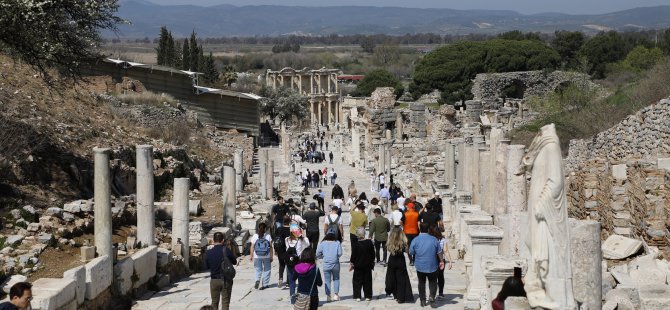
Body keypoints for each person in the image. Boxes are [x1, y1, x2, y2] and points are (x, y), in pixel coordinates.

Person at [409, 223, 445, 308]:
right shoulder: (434, 239)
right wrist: (442, 261)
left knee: (421, 282)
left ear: (419, 229)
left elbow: (411, 252)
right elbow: (439, 252)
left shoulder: (415, 240)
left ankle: (422, 300)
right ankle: (432, 297)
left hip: (420, 266)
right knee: (433, 282)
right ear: (428, 229)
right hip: (432, 265)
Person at [205, 232, 238, 310]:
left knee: (214, 303)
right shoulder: (226, 250)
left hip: (214, 280)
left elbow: (206, 266)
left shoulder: (208, 253)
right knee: (225, 303)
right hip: (226, 280)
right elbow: (234, 262)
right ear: (223, 240)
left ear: (213, 240)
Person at [385, 227, 414, 304]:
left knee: (392, 277)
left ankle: (395, 294)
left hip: (392, 259)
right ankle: (400, 298)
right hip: (400, 260)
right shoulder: (403, 242)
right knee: (401, 279)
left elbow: (388, 249)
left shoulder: (390, 240)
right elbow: (407, 251)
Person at [286, 224, 311, 304]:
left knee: (292, 281)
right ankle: (301, 298)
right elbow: (308, 245)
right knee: (301, 281)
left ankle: (292, 300)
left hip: (289, 262)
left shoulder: (286, 239)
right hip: (299, 262)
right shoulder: (302, 240)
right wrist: (302, 236)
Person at [349, 227, 375, 301]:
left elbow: (353, 255)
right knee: (367, 281)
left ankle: (357, 296)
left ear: (357, 235)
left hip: (358, 266)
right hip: (367, 265)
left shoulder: (355, 244)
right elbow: (373, 254)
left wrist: (351, 263)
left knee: (357, 281)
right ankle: (368, 296)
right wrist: (372, 261)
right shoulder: (369, 243)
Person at [316, 233, 343, 302]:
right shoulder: (337, 242)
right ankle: (336, 295)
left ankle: (328, 296)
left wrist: (323, 256)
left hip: (326, 264)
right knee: (336, 279)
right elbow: (340, 253)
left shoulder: (322, 243)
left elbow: (317, 254)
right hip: (335, 264)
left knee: (327, 280)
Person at [429, 226, 453, 300]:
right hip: (441, 259)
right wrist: (450, 261)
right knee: (440, 277)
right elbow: (445, 251)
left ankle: (432, 294)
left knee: (432, 277)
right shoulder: (443, 240)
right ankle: (441, 293)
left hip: (432, 259)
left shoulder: (430, 239)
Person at [250, 223, 273, 290]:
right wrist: (271, 256)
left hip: (257, 256)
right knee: (267, 270)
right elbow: (271, 247)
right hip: (266, 256)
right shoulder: (268, 236)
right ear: (265, 229)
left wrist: (251, 255)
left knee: (257, 269)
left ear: (258, 228)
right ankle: (265, 284)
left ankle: (257, 280)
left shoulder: (255, 236)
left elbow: (252, 246)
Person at [275, 216, 292, 289]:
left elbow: (275, 239)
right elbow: (299, 237)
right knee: (289, 266)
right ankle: (288, 282)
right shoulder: (292, 229)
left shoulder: (279, 229)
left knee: (281, 265)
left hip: (280, 249)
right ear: (290, 221)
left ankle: (280, 278)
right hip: (290, 249)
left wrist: (275, 250)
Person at [402, 200, 419, 266]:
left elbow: (401, 221)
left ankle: (411, 261)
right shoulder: (416, 214)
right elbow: (419, 222)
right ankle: (414, 259)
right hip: (415, 232)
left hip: (407, 231)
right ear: (413, 207)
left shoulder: (405, 214)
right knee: (415, 246)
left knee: (408, 246)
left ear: (408, 207)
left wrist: (403, 225)